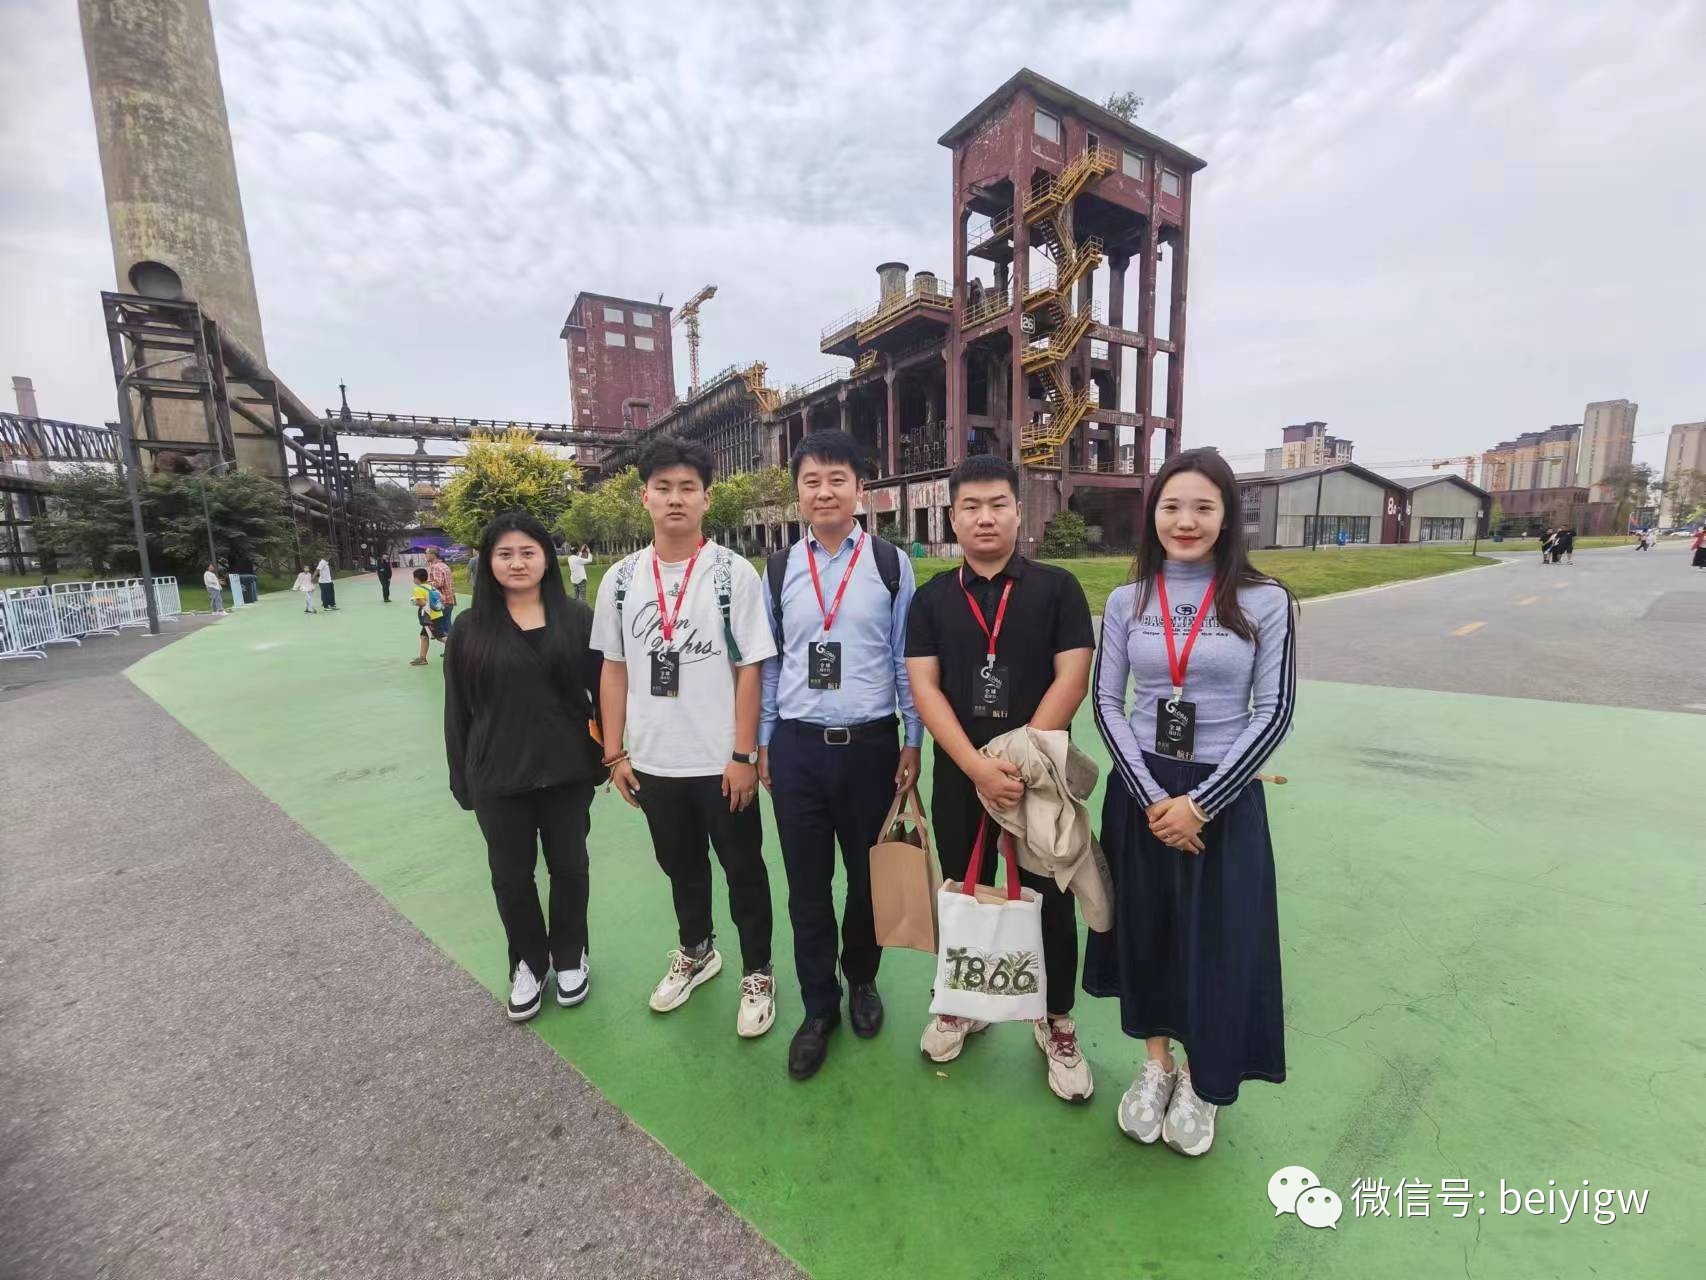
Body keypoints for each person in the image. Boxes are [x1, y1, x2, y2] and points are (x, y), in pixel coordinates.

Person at [1086, 448, 1297, 1158]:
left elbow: (1273, 711)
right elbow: (1107, 704)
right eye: (1172, 506)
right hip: (1142, 793)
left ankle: (1205, 1084)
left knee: (1218, 944)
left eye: (1203, 507)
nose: (1186, 521)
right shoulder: (1128, 601)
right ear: (1153, 514)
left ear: (1227, 516)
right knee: (1146, 933)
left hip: (1223, 798)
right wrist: (1153, 798)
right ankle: (1157, 1066)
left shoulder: (1265, 600)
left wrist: (1200, 804)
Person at [904, 454, 1097, 1101]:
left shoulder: (1058, 589)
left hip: (1038, 776)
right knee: (964, 891)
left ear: (1019, 512)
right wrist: (977, 768)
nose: (984, 517)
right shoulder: (932, 598)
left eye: (997, 504)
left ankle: (1055, 1018)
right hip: (962, 773)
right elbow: (925, 688)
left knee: (1050, 897)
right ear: (952, 517)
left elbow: (1073, 675)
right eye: (971, 506)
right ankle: (963, 1002)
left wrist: (1019, 758)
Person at [591, 438, 780, 1039]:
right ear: (644, 497)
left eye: (687, 488)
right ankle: (697, 952)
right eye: (663, 488)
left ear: (706, 499)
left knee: (743, 870)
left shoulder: (732, 573)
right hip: (654, 761)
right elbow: (613, 667)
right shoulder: (620, 580)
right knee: (680, 867)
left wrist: (743, 754)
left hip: (721, 760)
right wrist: (615, 751)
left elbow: (751, 668)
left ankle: (758, 971)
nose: (675, 498)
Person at [758, 430, 922, 1080]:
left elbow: (906, 657)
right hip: (797, 748)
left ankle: (862, 978)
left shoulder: (889, 563)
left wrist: (912, 739)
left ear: (861, 488)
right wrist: (764, 741)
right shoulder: (777, 570)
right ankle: (818, 1007)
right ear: (798, 493)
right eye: (811, 481)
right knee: (807, 886)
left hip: (872, 747)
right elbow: (772, 663)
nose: (824, 491)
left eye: (837, 479)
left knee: (867, 878)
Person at [444, 512, 607, 1022]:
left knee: (570, 868)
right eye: (505, 554)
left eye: (528, 552)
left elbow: (604, 693)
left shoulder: (577, 619)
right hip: (497, 775)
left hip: (566, 771)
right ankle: (529, 964)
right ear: (488, 562)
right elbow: (457, 710)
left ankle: (570, 956)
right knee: (511, 877)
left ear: (547, 559)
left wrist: (606, 755)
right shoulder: (469, 629)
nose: (517, 563)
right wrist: (461, 777)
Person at [410, 568, 446, 665]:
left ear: (417, 579)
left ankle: (459, 647)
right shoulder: (431, 587)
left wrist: (414, 601)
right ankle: (422, 658)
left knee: (440, 637)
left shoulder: (417, 589)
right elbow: (442, 598)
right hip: (437, 614)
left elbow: (422, 602)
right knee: (424, 636)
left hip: (430, 618)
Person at [425, 546, 457, 630]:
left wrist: (425, 584)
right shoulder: (443, 565)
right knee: (447, 626)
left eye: (427, 553)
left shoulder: (436, 567)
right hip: (449, 600)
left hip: (442, 602)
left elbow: (438, 583)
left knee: (439, 628)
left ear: (433, 554)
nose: (425, 555)